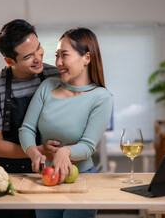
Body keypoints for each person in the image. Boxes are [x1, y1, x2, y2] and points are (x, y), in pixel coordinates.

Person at [19, 27, 113, 218]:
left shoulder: (101, 98)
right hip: (46, 178)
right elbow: (27, 128)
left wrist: (65, 151)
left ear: (86, 58)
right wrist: (34, 153)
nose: (58, 63)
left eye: (64, 55)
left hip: (83, 178)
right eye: (56, 55)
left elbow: (88, 146)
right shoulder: (47, 87)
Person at [0, 19, 61, 218]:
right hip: (7, 177)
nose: (38, 58)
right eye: (28, 56)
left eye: (39, 48)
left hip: (48, 174)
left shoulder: (55, 76)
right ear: (10, 61)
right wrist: (37, 151)